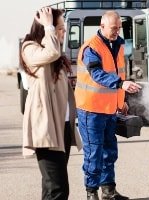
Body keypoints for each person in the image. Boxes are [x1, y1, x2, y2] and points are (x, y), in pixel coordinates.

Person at [75, 10, 142, 200]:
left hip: (109, 109)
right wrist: (122, 85)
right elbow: (97, 75)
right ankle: (91, 193)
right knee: (94, 154)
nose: (117, 32)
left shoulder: (118, 45)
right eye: (114, 28)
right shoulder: (91, 48)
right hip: (90, 111)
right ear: (102, 26)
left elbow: (118, 73)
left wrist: (122, 101)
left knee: (109, 152)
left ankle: (108, 192)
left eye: (119, 28)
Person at [20, 7, 82, 200]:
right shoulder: (29, 48)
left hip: (61, 127)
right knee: (58, 189)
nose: (63, 32)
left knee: (51, 187)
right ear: (46, 28)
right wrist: (49, 26)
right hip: (45, 127)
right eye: (60, 28)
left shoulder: (54, 54)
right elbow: (52, 52)